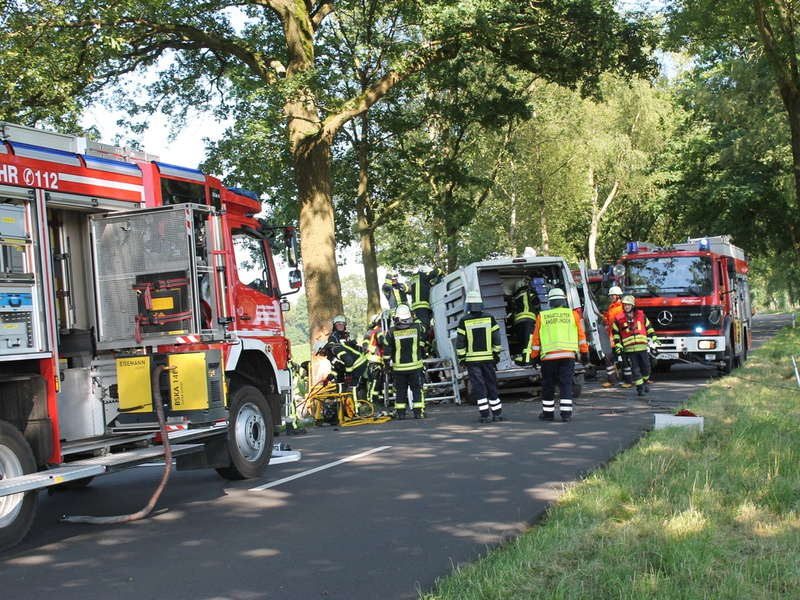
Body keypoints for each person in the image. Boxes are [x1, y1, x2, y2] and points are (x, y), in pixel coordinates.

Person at [524, 287, 589, 422]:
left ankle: (548, 414)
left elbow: (536, 339)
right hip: (568, 356)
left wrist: (534, 356)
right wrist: (585, 353)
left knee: (548, 385)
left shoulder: (542, 316)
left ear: (550, 303)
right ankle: (566, 415)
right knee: (565, 384)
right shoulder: (573, 315)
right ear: (563, 301)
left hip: (549, 358)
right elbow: (581, 336)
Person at [455, 291, 504, 423]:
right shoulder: (490, 318)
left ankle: (485, 415)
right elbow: (497, 337)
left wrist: (461, 357)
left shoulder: (464, 320)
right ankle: (497, 413)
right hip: (488, 359)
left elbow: (460, 342)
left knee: (479, 387)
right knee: (491, 384)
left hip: (472, 361)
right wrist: (496, 353)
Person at [382, 303, 426, 419]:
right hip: (415, 367)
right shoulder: (417, 328)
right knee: (417, 390)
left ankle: (401, 414)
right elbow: (425, 329)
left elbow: (387, 351)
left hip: (399, 369)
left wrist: (386, 364)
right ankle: (419, 413)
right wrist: (415, 317)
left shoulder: (391, 332)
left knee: (400, 391)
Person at [612, 295, 659, 397]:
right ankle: (640, 388)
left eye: (628, 305)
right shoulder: (619, 318)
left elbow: (649, 327)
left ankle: (645, 381)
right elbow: (615, 332)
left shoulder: (641, 315)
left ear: (633, 306)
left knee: (646, 368)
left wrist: (654, 337)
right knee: (635, 370)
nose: (626, 307)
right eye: (625, 305)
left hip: (642, 347)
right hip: (629, 349)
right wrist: (618, 343)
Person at [601, 286, 633, 388]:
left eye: (613, 295)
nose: (611, 297)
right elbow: (610, 321)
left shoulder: (621, 308)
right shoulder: (612, 307)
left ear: (618, 295)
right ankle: (612, 380)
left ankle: (628, 380)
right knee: (609, 358)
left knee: (625, 359)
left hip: (621, 338)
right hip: (612, 338)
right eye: (610, 295)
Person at [362, 313, 386, 406]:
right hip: (374, 360)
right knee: (375, 381)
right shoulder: (374, 332)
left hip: (375, 360)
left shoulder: (372, 332)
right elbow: (381, 342)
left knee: (378, 381)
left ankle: (379, 400)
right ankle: (372, 402)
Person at [409, 266, 443, 331]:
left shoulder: (415, 279)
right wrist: (440, 270)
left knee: (419, 323)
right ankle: (423, 339)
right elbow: (433, 273)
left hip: (415, 307)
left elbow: (424, 288)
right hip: (422, 305)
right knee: (425, 324)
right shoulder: (423, 275)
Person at [511, 278, 541, 354]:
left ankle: (522, 356)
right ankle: (528, 359)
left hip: (517, 321)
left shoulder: (515, 298)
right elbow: (536, 304)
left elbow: (512, 310)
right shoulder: (530, 293)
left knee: (521, 341)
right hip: (529, 319)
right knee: (528, 341)